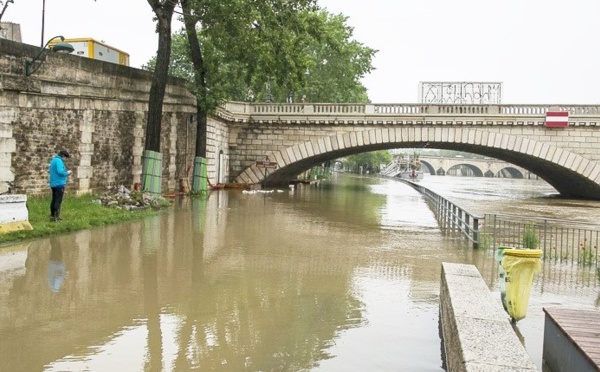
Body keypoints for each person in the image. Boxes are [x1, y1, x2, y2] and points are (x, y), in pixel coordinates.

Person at [49, 150, 72, 222]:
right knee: (58, 200)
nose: (65, 159)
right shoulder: (59, 161)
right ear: (63, 156)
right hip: (59, 184)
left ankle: (52, 216)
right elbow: (60, 172)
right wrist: (67, 173)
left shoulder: (53, 160)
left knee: (54, 200)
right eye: (65, 158)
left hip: (53, 183)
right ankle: (57, 217)